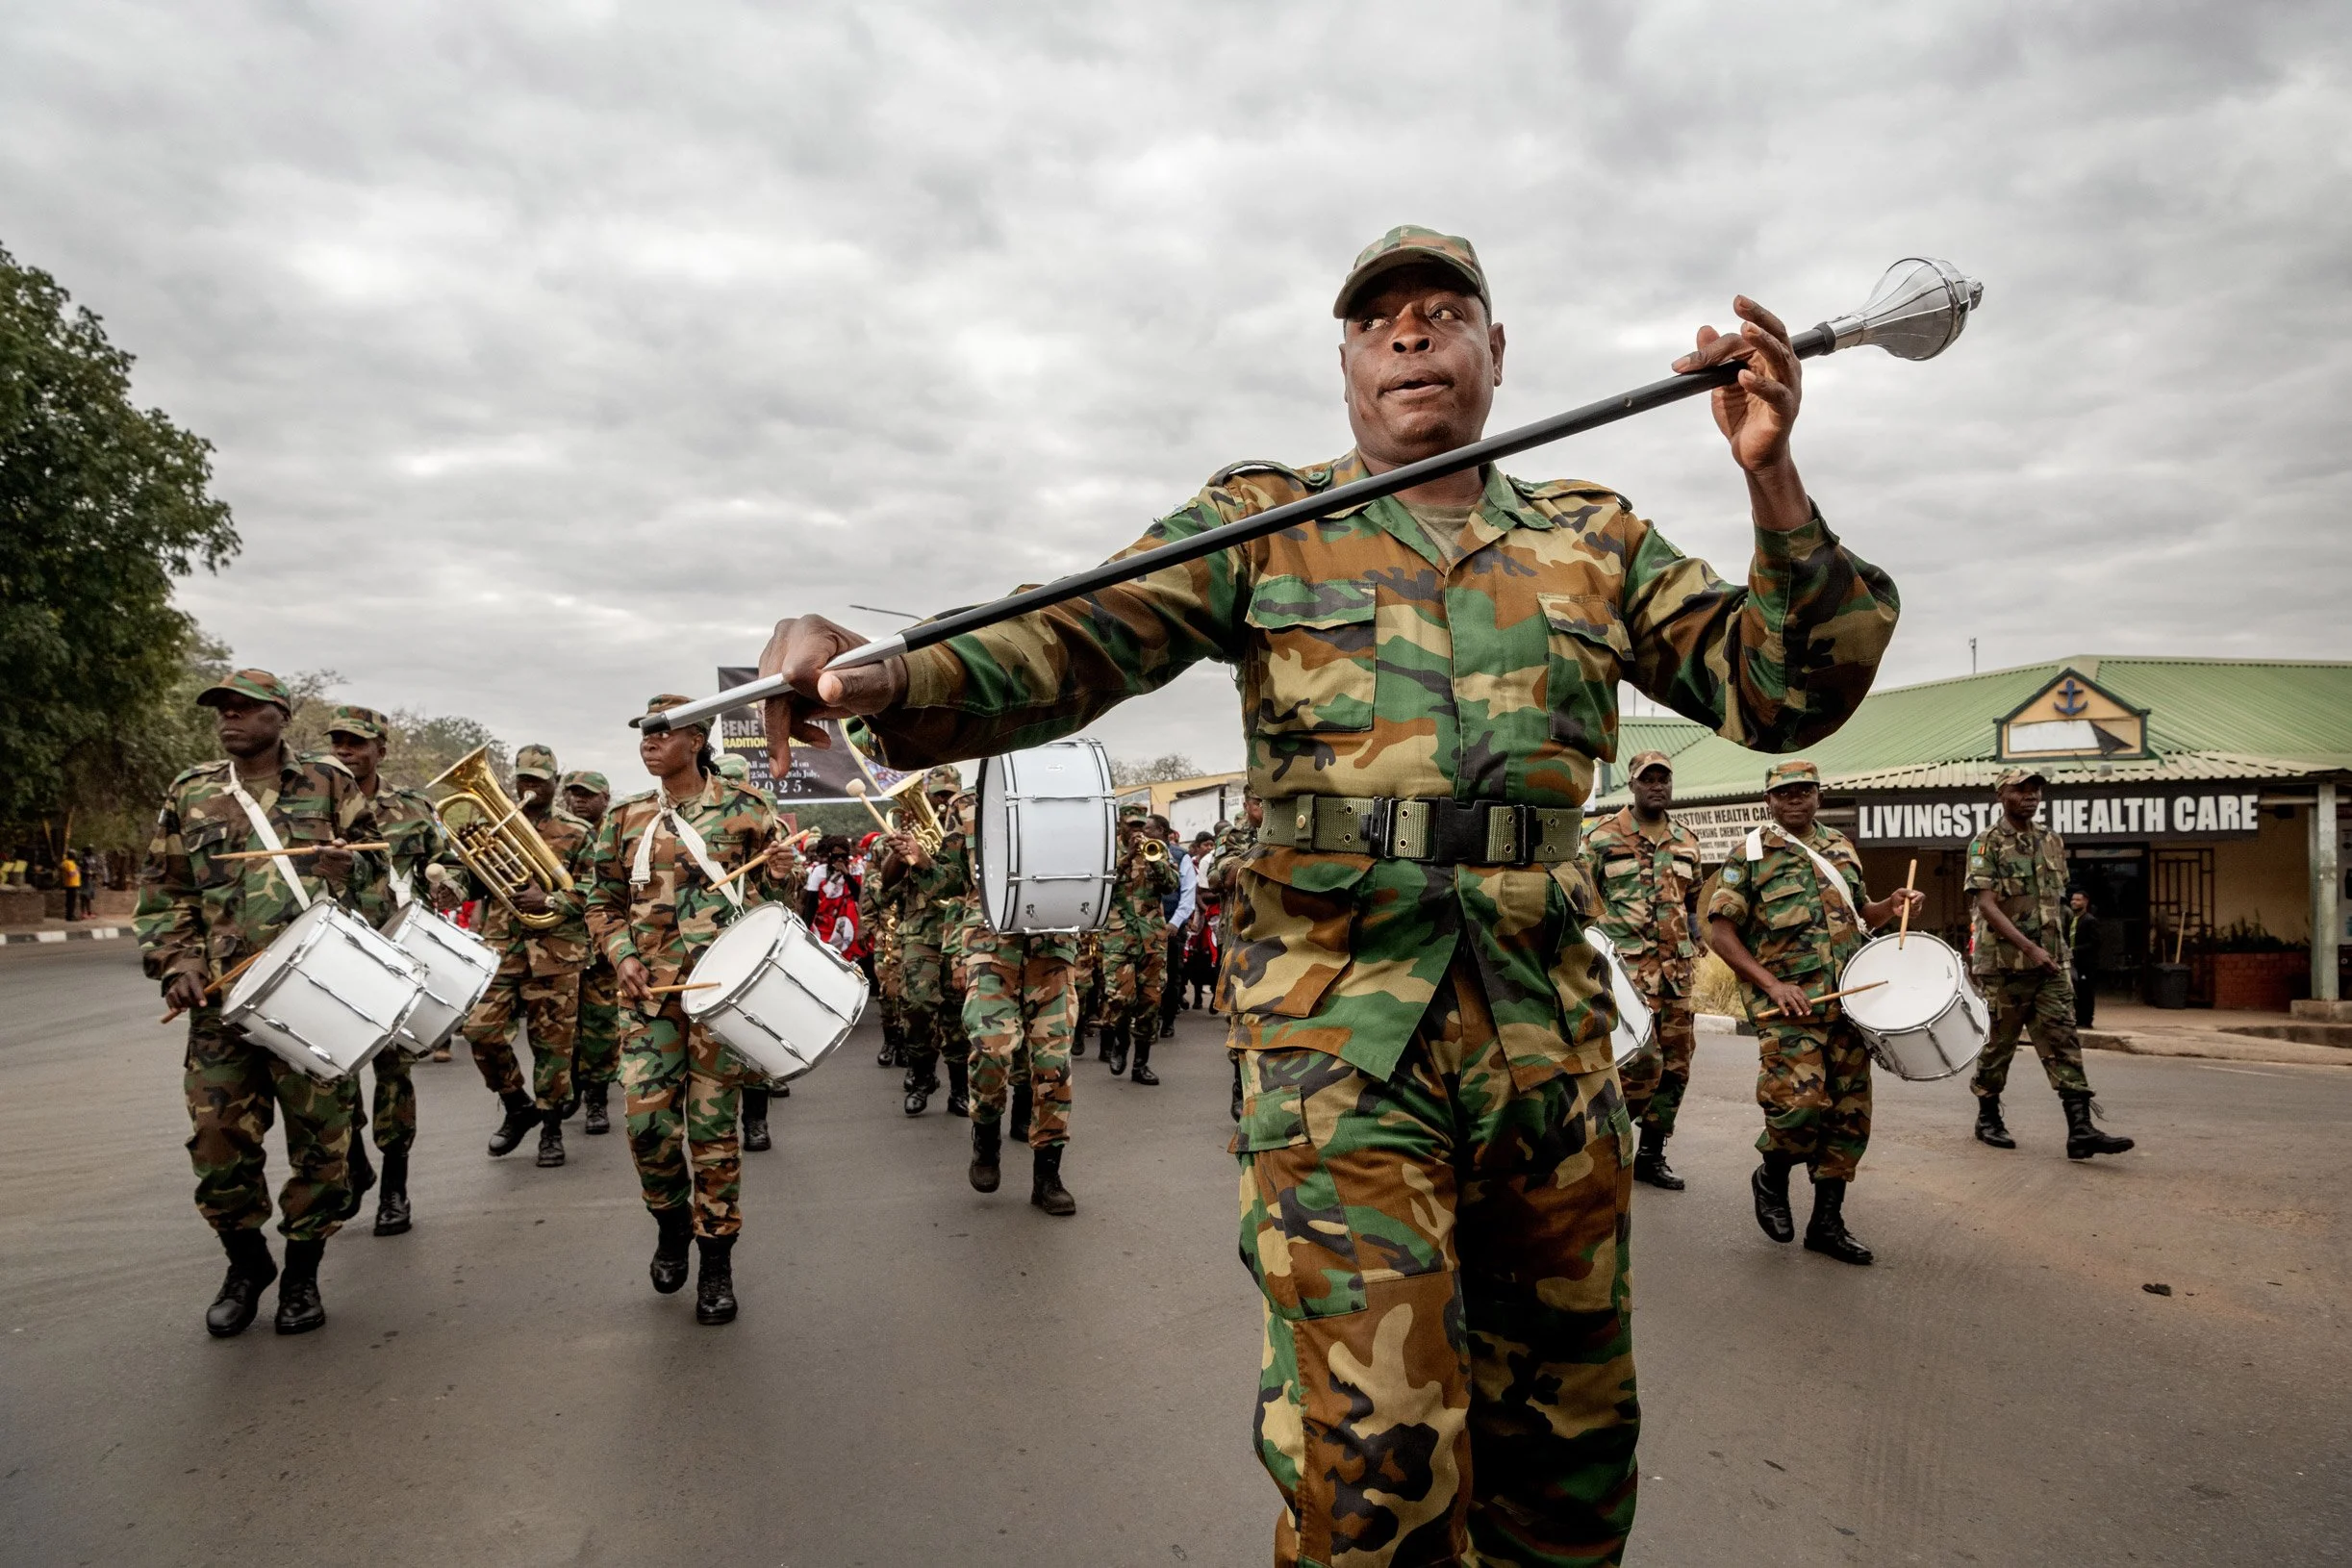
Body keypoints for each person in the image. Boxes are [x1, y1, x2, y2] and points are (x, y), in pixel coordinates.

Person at [755, 224, 1898, 1564]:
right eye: (1378, 320)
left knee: (1569, 1466)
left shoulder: (1594, 538)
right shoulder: (1268, 523)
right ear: (1346, 360)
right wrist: (881, 669)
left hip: (1548, 1044)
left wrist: (1772, 481)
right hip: (1340, 1046)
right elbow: (1074, 630)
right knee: (1379, 1468)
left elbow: (1784, 688)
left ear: (1495, 348)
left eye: (1441, 311)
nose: (1410, 334)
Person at [136, 669, 381, 1336]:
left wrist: (346, 872)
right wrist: (178, 962)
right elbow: (164, 892)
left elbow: (382, 882)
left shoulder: (331, 785)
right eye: (223, 710)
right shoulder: (193, 792)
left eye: (245, 709)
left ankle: (302, 1274)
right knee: (217, 1145)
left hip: (314, 996)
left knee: (322, 1150)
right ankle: (246, 1264)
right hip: (223, 1005)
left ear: (280, 715)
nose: (230, 719)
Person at [585, 695, 797, 1325]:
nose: (647, 742)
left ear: (696, 739)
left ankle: (717, 1264)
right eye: (643, 733)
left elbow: (775, 897)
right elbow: (599, 898)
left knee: (711, 1137)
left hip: (719, 997)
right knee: (647, 1129)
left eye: (661, 732)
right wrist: (620, 953)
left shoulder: (747, 807)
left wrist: (784, 872)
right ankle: (671, 1222)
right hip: (648, 1000)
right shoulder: (624, 817)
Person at [1706, 760, 1923, 1266]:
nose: (1796, 798)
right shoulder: (1750, 854)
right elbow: (1720, 933)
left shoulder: (1841, 848)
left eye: (1805, 790)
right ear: (1769, 800)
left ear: (1819, 795)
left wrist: (1890, 906)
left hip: (1848, 1006)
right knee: (1797, 1109)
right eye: (1785, 792)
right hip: (1790, 1011)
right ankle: (1771, 1176)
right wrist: (1772, 984)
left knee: (1849, 1119)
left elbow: (1860, 913)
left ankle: (1827, 1223)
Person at [330, 705, 466, 1236]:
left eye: (356, 743)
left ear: (379, 750)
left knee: (392, 1075)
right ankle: (354, 1161)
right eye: (337, 741)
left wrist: (444, 881)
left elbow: (448, 863)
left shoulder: (410, 809)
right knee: (333, 1073)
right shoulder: (310, 804)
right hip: (333, 954)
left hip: (392, 953)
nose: (344, 751)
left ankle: (394, 1187)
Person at [1964, 770, 2136, 1159]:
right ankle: (1987, 1117)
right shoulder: (1985, 843)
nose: (2030, 795)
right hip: (2004, 966)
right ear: (2001, 795)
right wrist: (2030, 948)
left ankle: (2081, 1129)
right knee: (1998, 1047)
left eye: (2035, 789)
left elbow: (2053, 903)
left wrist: (2055, 952)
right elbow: (1986, 905)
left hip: (2051, 966)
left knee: (2064, 1041)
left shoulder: (2051, 841)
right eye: (2020, 789)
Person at [457, 744, 594, 1168]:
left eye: (538, 780)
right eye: (523, 779)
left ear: (555, 782)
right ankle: (517, 1104)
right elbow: (474, 881)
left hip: (556, 952)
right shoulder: (494, 827)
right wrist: (456, 888)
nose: (529, 787)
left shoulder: (577, 832)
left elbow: (597, 887)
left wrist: (551, 899)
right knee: (479, 1031)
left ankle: (551, 1129)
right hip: (502, 950)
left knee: (553, 1046)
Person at [1580, 750, 1705, 1190]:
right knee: (1633, 1065)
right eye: (1647, 779)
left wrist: (1694, 935)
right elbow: (1580, 903)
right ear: (1631, 785)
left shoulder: (1687, 840)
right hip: (1625, 977)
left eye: (1663, 779)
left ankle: (1652, 1153)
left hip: (1676, 977)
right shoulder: (1599, 838)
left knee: (1676, 1066)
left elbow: (1692, 902)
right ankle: (1605, 1143)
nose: (1656, 786)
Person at [864, 767, 970, 1115]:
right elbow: (884, 890)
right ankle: (922, 1078)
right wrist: (901, 850)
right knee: (918, 1007)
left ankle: (959, 1087)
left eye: (947, 796)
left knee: (958, 1014)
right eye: (935, 795)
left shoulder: (969, 835)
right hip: (920, 933)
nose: (941, 803)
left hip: (960, 932)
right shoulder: (901, 834)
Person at [1098, 804, 1179, 1083]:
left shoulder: (1157, 849)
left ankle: (1140, 1064)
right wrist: (1127, 858)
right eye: (1132, 826)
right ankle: (1120, 1041)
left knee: (1150, 1002)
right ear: (1120, 826)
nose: (1137, 831)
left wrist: (1153, 859)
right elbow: (1100, 889)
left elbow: (1171, 886)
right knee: (1120, 999)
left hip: (1152, 939)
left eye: (1140, 826)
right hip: (1118, 939)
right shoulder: (1107, 853)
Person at [561, 770, 622, 1136]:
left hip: (601, 947)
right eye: (573, 794)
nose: (579, 800)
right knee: (565, 1027)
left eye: (587, 794)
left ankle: (596, 1099)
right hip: (564, 944)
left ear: (605, 798)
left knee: (600, 1026)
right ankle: (571, 1087)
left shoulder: (614, 832)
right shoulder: (559, 833)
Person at [1202, 797, 1263, 1122]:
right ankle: (1240, 1090)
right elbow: (1224, 877)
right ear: (1247, 802)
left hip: (1279, 933)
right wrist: (1269, 851)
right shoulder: (1235, 836)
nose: (1263, 809)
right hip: (1240, 935)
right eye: (1257, 803)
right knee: (1239, 1015)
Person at [1157, 818, 1199, 1039]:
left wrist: (1175, 922)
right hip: (1147, 928)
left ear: (1161, 831)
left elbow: (1188, 892)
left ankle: (1168, 1020)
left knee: (1173, 975)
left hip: (1172, 926)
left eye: (1149, 829)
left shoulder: (1180, 856)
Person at [2066, 889, 2101, 1029]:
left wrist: (2075, 949)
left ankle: (2087, 1020)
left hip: (2086, 962)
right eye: (2073, 899)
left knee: (2086, 991)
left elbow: (2095, 943)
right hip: (2074, 961)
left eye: (2078, 900)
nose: (2074, 902)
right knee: (2075, 991)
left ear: (2085, 902)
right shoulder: (2073, 919)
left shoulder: (2090, 920)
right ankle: (2077, 1018)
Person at [59, 847, 83, 921]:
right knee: (72, 901)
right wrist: (77, 869)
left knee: (69, 900)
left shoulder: (65, 862)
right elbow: (71, 874)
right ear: (71, 855)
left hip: (68, 884)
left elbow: (60, 866)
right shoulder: (70, 863)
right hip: (72, 884)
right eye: (74, 854)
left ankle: (69, 915)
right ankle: (71, 916)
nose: (75, 856)